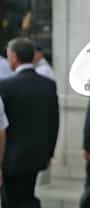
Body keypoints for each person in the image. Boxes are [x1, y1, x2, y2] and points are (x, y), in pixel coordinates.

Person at [0, 37, 59, 208]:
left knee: (11, 199)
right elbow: (54, 121)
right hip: (37, 155)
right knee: (28, 194)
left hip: (11, 158)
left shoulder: (5, 86)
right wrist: (50, 152)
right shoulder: (48, 85)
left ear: (14, 57)